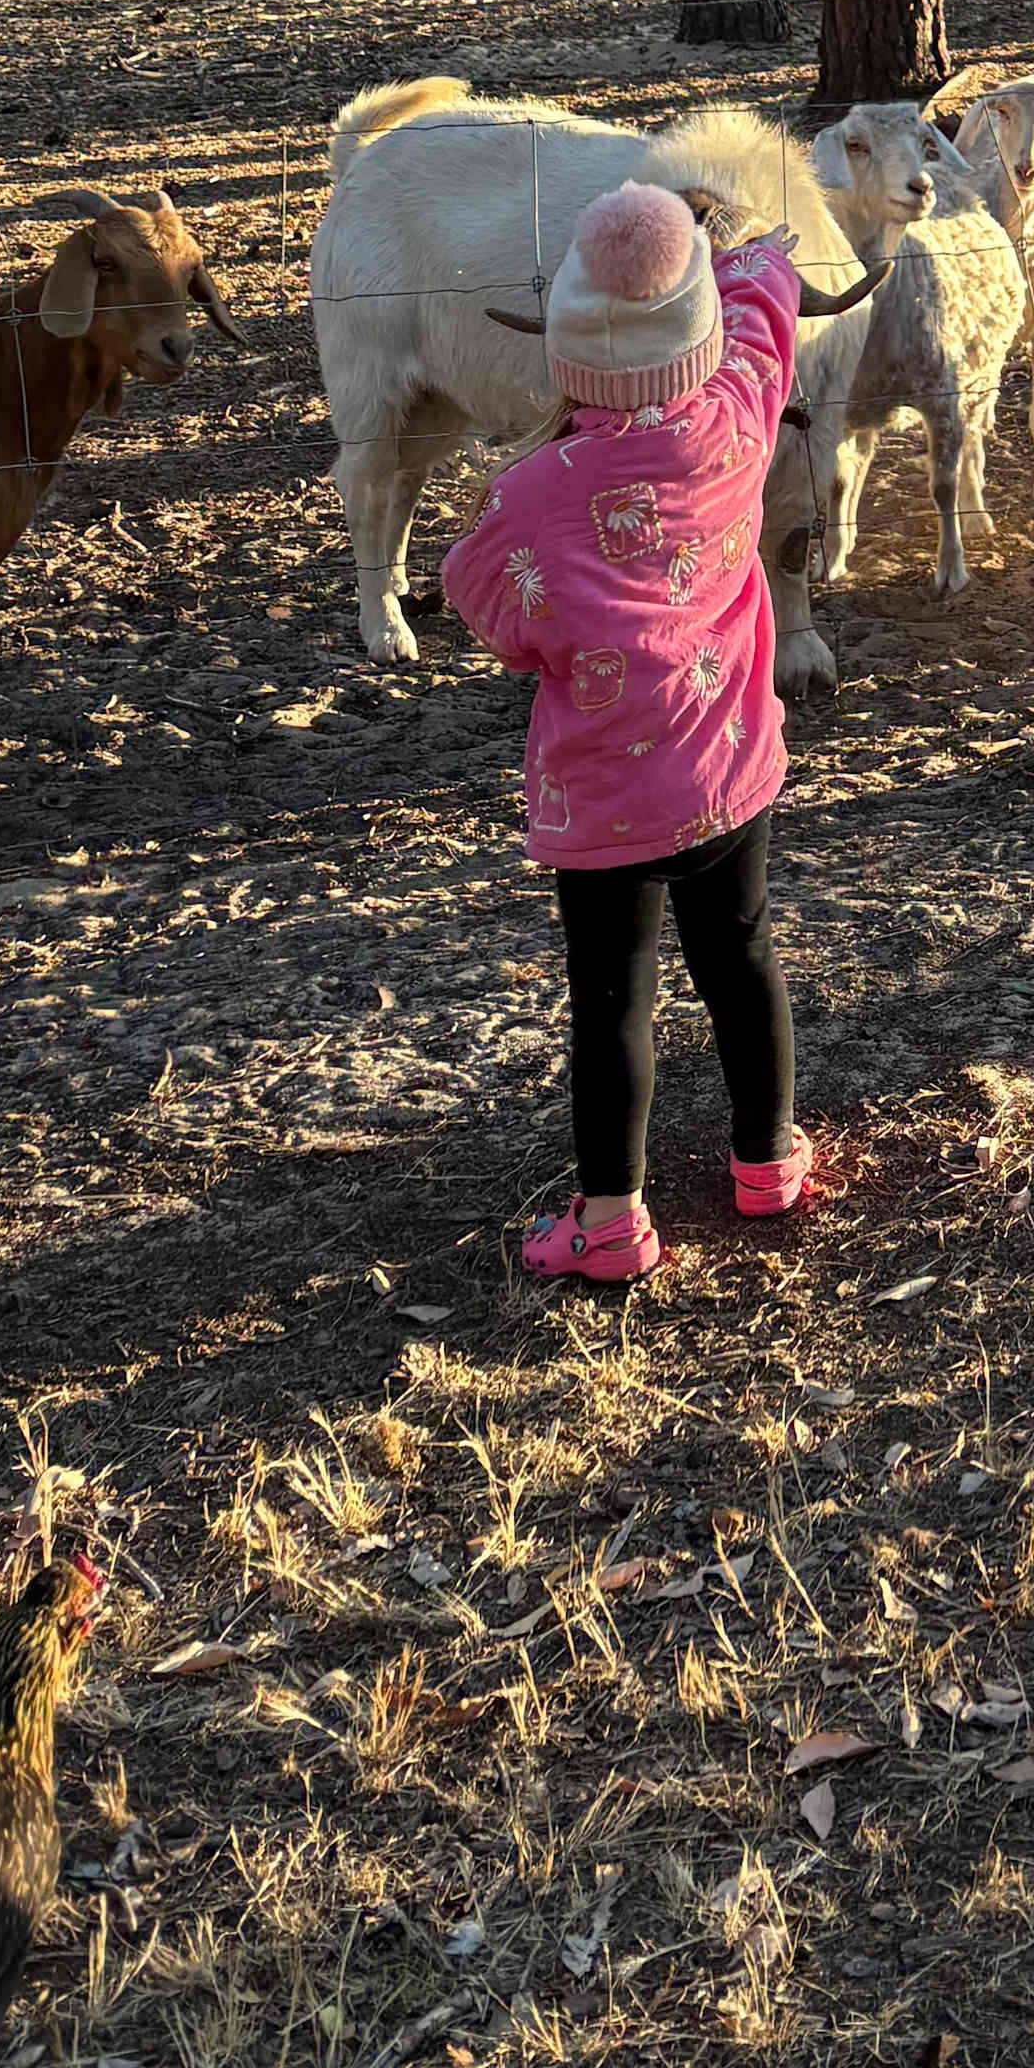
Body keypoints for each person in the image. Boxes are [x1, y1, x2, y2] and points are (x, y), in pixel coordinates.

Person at [439, 181, 812, 1282]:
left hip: (602, 796)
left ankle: (609, 1221)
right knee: (741, 955)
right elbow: (764, 312)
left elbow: (488, 608)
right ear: (698, 328)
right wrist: (740, 252)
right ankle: (769, 1162)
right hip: (728, 764)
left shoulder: (531, 494)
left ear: (565, 346)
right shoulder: (739, 418)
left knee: (611, 997)